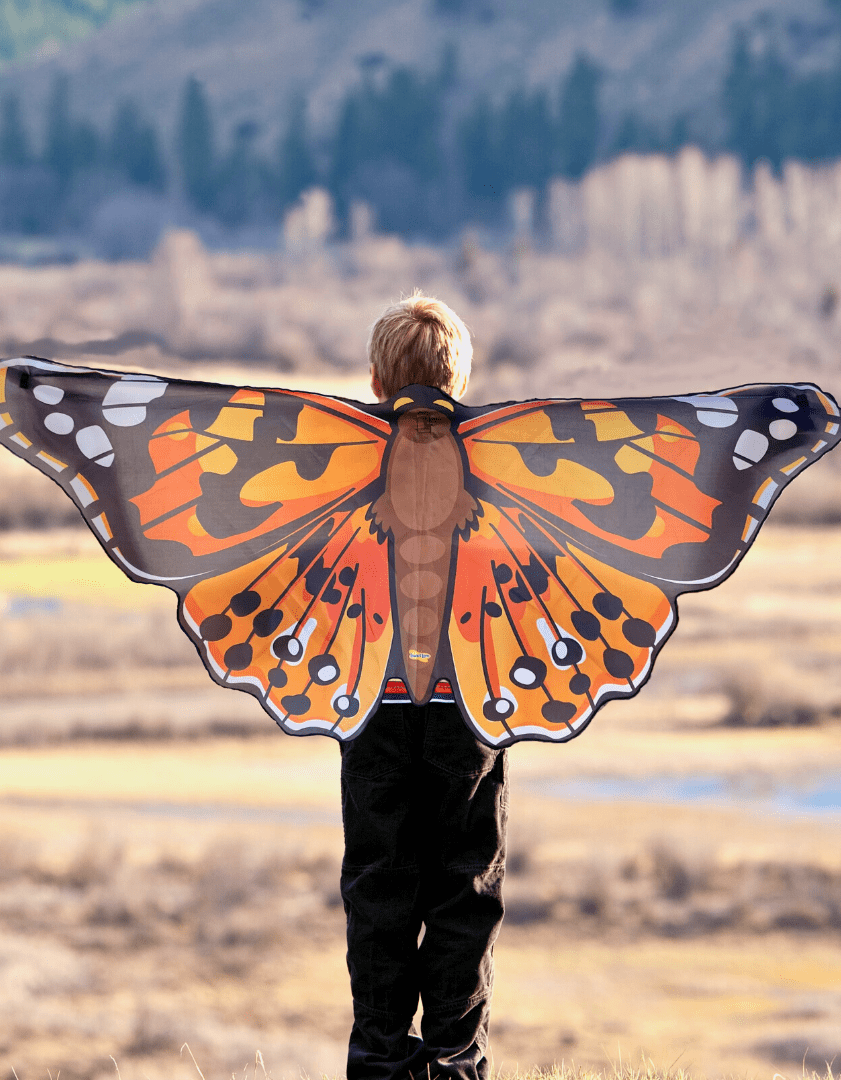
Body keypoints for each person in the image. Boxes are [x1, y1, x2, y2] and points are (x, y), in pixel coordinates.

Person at [339, 292, 507, 1080]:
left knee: (380, 878)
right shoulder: (501, 463)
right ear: (462, 377)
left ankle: (376, 1055)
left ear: (376, 380)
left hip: (372, 698)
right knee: (464, 883)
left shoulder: (342, 460)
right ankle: (454, 1058)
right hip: (466, 703)